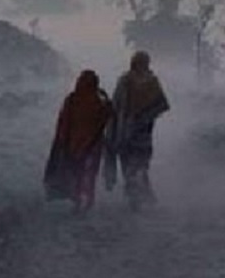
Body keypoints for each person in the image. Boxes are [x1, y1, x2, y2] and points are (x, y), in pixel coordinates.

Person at [105, 51, 170, 210]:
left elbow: (116, 105)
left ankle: (135, 197)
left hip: (128, 130)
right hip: (141, 133)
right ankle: (139, 196)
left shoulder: (126, 80)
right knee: (139, 165)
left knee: (130, 165)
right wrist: (146, 116)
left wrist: (115, 126)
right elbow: (162, 105)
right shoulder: (151, 82)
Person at [44, 70, 113, 213]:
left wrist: (61, 142)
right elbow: (108, 117)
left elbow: (64, 122)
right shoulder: (99, 102)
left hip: (74, 144)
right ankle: (87, 201)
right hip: (93, 145)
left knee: (77, 173)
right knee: (89, 174)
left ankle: (78, 201)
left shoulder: (73, 99)